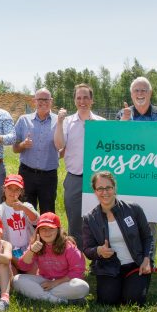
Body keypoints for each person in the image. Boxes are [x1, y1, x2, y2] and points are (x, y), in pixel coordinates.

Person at [81, 171, 155, 306]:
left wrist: (146, 259)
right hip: (109, 267)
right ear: (95, 191)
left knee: (133, 301)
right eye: (100, 189)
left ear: (114, 188)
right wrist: (99, 250)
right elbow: (87, 249)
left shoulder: (133, 209)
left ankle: (132, 286)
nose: (105, 192)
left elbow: (148, 237)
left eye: (108, 187)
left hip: (136, 264)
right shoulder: (89, 219)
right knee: (107, 301)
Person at [115, 76, 157, 245]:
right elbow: (115, 142)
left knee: (150, 220)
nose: (140, 93)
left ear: (150, 93)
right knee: (126, 218)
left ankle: (149, 260)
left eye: (143, 90)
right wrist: (123, 123)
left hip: (153, 174)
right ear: (131, 94)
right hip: (128, 174)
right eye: (136, 90)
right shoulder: (122, 114)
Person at [53, 83, 105, 244]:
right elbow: (59, 145)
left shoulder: (101, 122)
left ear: (92, 100)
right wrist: (60, 123)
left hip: (98, 180)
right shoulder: (67, 122)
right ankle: (77, 262)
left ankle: (98, 259)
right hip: (75, 178)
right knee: (75, 223)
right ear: (74, 100)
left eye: (86, 98)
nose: (82, 101)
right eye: (79, 98)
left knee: (99, 220)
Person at [12, 212, 89, 303]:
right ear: (38, 231)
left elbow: (78, 271)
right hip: (45, 280)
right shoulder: (36, 244)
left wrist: (54, 283)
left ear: (58, 230)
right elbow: (23, 267)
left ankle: (41, 295)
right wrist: (31, 251)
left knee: (83, 287)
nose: (46, 232)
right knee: (17, 280)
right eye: (43, 229)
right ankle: (62, 301)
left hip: (64, 282)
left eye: (51, 228)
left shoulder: (68, 246)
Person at [13, 88, 60, 214]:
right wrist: (23, 144)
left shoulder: (59, 121)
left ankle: (47, 234)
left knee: (48, 212)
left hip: (48, 176)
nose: (43, 102)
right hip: (26, 174)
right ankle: (29, 235)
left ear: (51, 101)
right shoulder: (23, 120)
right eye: (40, 99)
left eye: (46, 99)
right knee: (26, 212)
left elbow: (63, 147)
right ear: (34, 101)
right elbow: (15, 148)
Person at [0, 174, 39, 265]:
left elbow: (37, 220)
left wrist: (23, 208)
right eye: (10, 188)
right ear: (4, 189)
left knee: (33, 271)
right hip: (8, 250)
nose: (13, 192)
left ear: (21, 191)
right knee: (12, 275)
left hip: (28, 249)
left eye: (17, 189)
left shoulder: (27, 206)